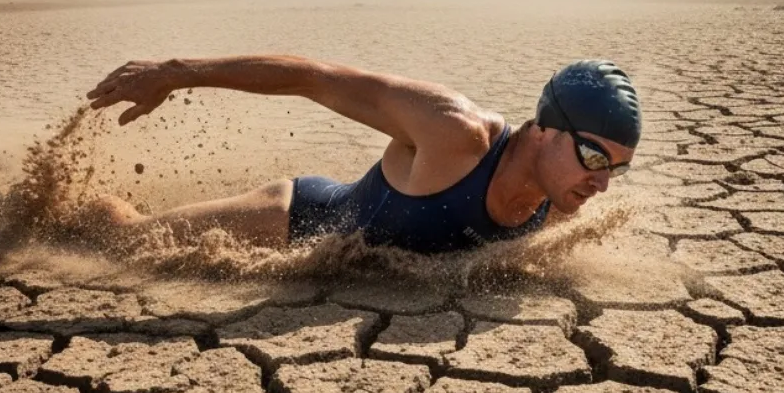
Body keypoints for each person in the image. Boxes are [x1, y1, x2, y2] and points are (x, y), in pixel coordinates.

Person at [82, 55, 640, 253]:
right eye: (594, 157)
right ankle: (34, 205)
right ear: (544, 130)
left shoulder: (561, 202)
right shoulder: (457, 134)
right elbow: (313, 78)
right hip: (296, 220)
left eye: (617, 168)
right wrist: (177, 74)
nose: (602, 182)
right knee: (126, 237)